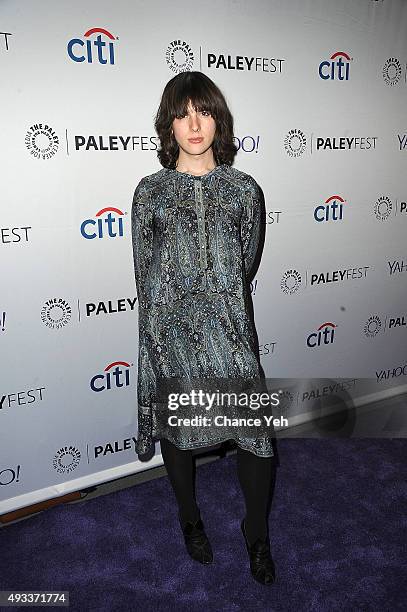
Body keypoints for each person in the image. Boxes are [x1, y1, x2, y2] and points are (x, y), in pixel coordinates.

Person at [131, 71, 276, 585]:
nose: (194, 123)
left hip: (230, 335)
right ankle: (189, 518)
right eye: (182, 112)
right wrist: (160, 336)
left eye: (205, 111)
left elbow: (247, 260)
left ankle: (255, 532)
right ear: (169, 124)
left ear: (219, 119)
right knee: (179, 432)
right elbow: (144, 273)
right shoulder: (150, 192)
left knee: (257, 437)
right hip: (171, 336)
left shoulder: (244, 190)